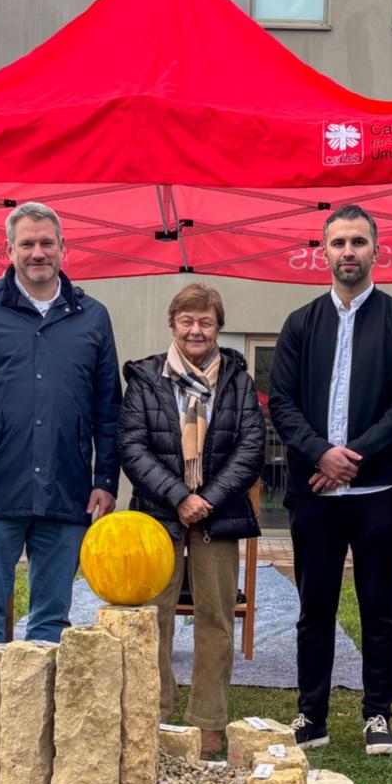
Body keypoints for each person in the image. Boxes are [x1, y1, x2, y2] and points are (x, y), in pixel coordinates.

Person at [0, 201, 120, 754]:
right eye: (27, 244)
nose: (38, 253)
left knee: (52, 612)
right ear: (10, 250)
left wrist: (105, 479)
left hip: (68, 491)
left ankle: (36, 707)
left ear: (64, 249)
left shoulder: (92, 316)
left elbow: (107, 408)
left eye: (47, 243)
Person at [268, 204, 392, 755]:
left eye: (358, 242)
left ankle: (378, 713)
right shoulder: (300, 324)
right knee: (315, 606)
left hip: (377, 492)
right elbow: (282, 404)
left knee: (378, 605)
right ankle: (311, 713)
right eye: (338, 243)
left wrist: (351, 456)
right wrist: (320, 454)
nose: (348, 252)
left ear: (376, 250)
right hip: (315, 492)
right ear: (324, 251)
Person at [118, 283, 266, 757]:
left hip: (218, 517)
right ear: (173, 324)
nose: (196, 330)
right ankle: (155, 712)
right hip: (158, 514)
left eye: (205, 321)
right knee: (153, 615)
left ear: (219, 327)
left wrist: (209, 499)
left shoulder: (239, 381)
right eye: (187, 321)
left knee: (216, 616)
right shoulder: (144, 379)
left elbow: (251, 449)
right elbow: (133, 447)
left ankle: (207, 721)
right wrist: (180, 495)